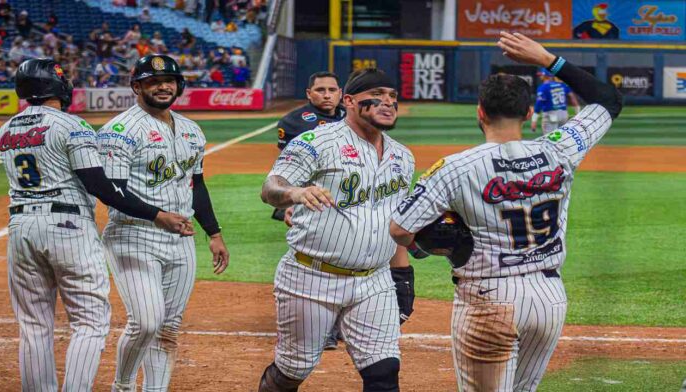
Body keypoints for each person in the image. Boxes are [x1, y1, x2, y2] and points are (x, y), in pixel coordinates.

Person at [389, 32, 622, 392]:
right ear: (529, 112)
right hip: (549, 299)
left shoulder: (454, 167)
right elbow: (608, 98)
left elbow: (400, 230)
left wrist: (443, 243)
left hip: (488, 300)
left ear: (480, 111)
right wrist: (547, 59)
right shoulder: (560, 149)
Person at [0, 58, 190, 392]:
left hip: (21, 228)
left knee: (33, 326)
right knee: (89, 323)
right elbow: (100, 186)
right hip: (68, 226)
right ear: (57, 86)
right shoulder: (71, 126)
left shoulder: (6, 129)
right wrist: (155, 214)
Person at [257, 68, 416, 392]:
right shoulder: (317, 142)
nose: (387, 102)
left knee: (384, 372)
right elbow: (270, 187)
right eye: (377, 95)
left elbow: (395, 221)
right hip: (311, 277)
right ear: (350, 101)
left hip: (374, 281)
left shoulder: (403, 157)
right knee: (292, 370)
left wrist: (403, 273)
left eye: (393, 96)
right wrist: (294, 193)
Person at [97, 54, 231, 391]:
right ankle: (123, 386)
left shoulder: (190, 130)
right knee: (146, 322)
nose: (162, 86)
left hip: (180, 238)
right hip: (133, 235)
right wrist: (159, 216)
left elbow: (195, 184)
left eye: (168, 81)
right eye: (153, 81)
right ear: (137, 86)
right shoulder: (119, 131)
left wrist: (213, 233)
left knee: (168, 329)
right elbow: (111, 192)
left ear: (179, 85)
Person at [273, 71, 346, 348]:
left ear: (341, 93)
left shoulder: (352, 116)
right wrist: (289, 204)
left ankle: (339, 322)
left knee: (346, 256)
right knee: (316, 258)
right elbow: (285, 168)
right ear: (309, 93)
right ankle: (319, 324)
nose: (326, 95)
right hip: (311, 199)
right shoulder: (293, 122)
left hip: (348, 198)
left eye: (332, 89)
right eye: (320, 90)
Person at [531, 68, 581, 134]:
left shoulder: (543, 87)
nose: (540, 76)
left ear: (546, 75)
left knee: (549, 139)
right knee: (560, 137)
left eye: (541, 75)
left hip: (551, 115)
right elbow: (572, 98)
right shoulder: (562, 85)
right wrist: (578, 113)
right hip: (563, 115)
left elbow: (538, 104)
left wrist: (534, 120)